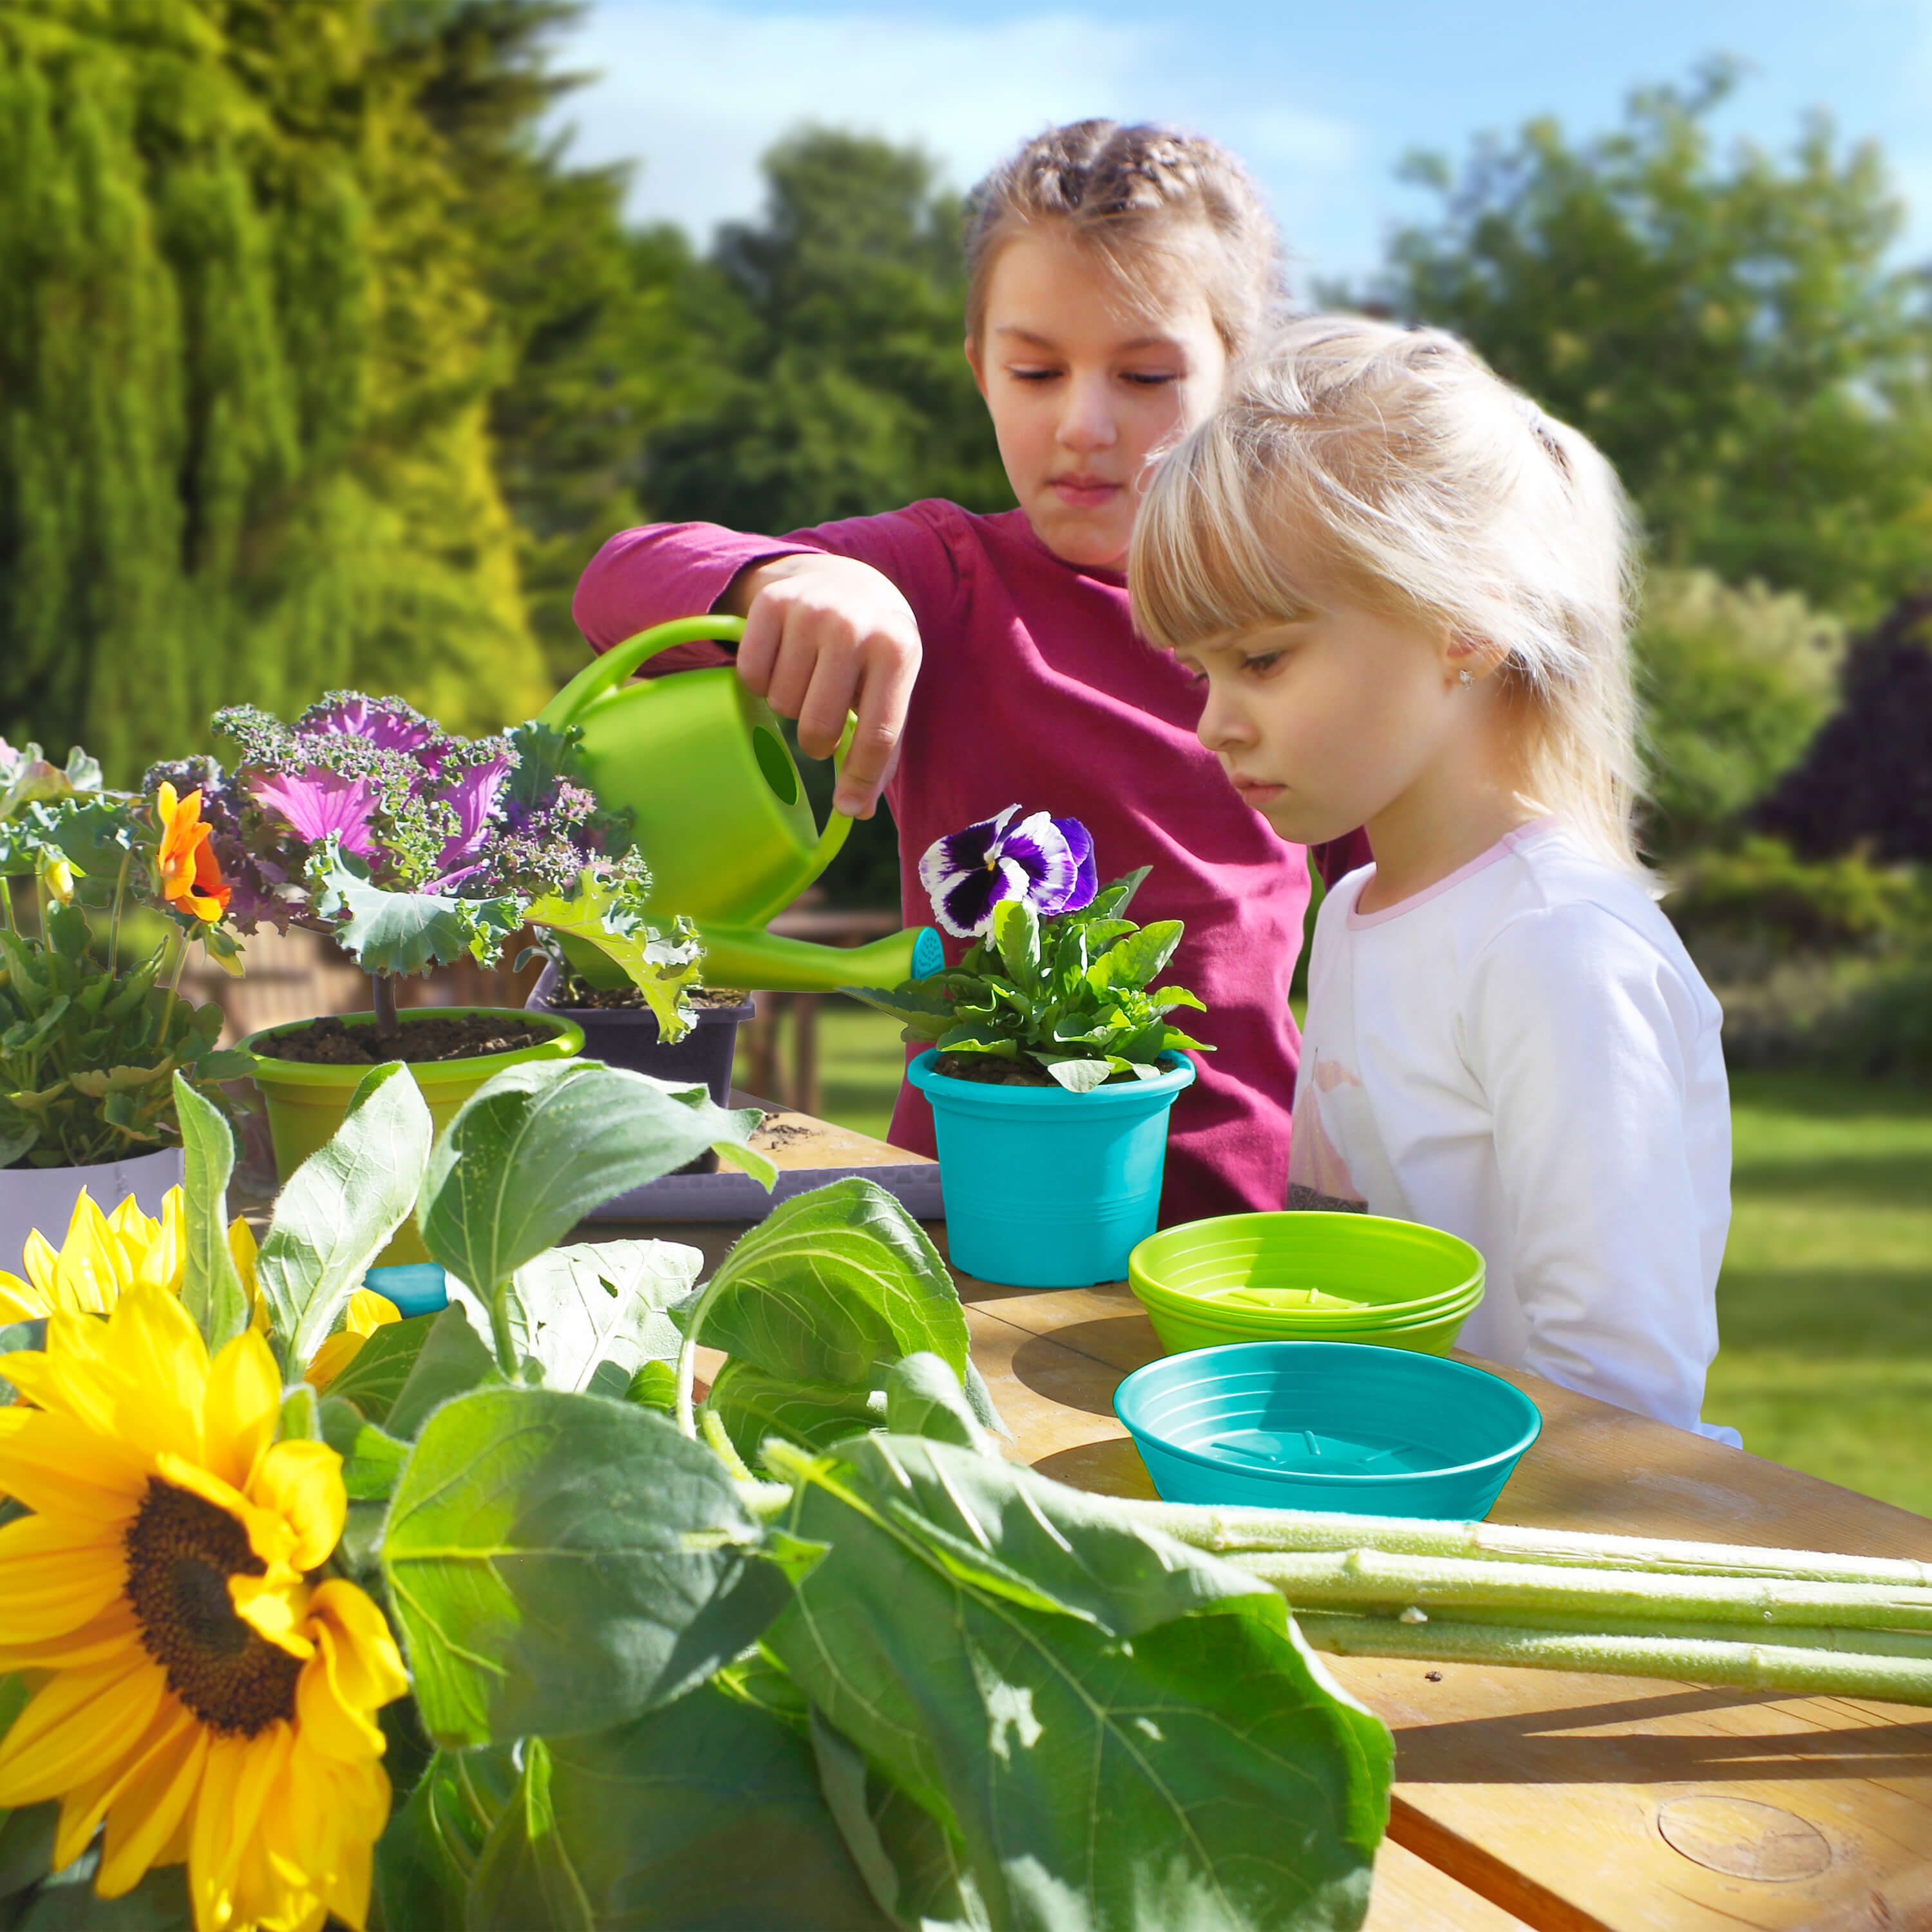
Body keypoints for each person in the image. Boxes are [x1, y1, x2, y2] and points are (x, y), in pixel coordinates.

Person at [573, 120, 1366, 1224]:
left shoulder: (1314, 622)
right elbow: (616, 581)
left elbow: (1406, 904)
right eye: (1035, 370)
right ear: (980, 371)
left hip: (1236, 1221)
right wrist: (791, 580)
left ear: (1240, 376)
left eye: (1144, 373)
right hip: (965, 1211)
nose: (1083, 425)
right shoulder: (942, 576)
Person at [1130, 315, 1737, 1441]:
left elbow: (1626, 1403)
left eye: (1260, 659)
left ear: (1461, 623)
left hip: (1548, 1544)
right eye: (1200, 671)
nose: (1215, 722)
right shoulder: (1356, 914)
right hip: (1392, 1490)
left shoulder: (1559, 948)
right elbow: (1325, 1246)